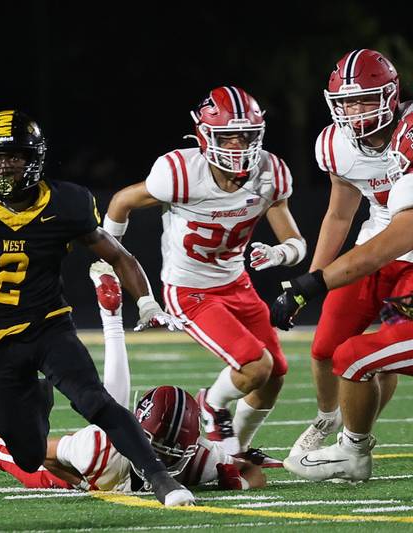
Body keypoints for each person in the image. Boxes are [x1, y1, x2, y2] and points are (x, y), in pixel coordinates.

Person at [0, 109, 194, 506]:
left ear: (33, 159)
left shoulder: (67, 202)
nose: (4, 165)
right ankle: (40, 397)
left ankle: (159, 479)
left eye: (14, 156)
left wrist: (147, 304)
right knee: (28, 455)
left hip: (49, 325)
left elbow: (119, 256)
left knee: (95, 400)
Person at [103, 87, 304, 465]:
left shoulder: (271, 172)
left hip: (236, 283)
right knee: (254, 367)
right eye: (228, 135)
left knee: (275, 373)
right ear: (204, 136)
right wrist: (108, 254)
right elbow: (121, 201)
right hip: (191, 290)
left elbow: (295, 242)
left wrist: (281, 253)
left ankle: (235, 451)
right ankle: (210, 405)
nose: (238, 145)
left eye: (246, 135)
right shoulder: (179, 173)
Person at [0, 261, 266, 492]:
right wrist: (80, 482)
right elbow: (46, 456)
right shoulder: (93, 449)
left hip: (108, 455)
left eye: (170, 454)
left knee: (108, 414)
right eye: (160, 451)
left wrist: (239, 482)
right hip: (73, 465)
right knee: (0, 445)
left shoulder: (202, 459)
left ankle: (112, 316)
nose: (165, 461)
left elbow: (250, 471)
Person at [273, 110, 413, 482]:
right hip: (373, 250)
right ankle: (334, 425)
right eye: (348, 103)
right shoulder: (339, 146)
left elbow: (400, 237)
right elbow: (340, 215)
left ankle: (353, 446)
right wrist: (312, 281)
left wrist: (314, 283)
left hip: (397, 255)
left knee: (365, 355)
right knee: (327, 348)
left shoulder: (407, 137)